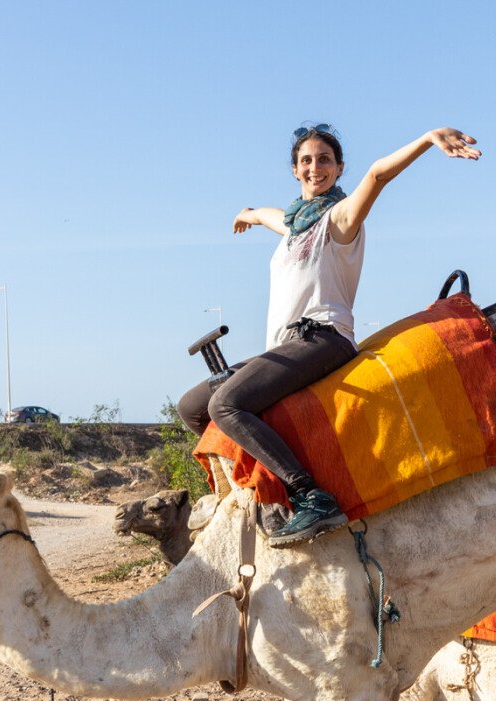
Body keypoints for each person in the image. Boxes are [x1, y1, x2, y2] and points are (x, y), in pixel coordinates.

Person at [178, 123, 480, 546]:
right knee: (193, 406)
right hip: (287, 346)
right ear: (294, 170)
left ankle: (311, 496)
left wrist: (428, 140)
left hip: (322, 339)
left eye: (324, 160)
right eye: (306, 160)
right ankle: (255, 489)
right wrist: (247, 213)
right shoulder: (296, 228)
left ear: (338, 169)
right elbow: (272, 218)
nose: (314, 167)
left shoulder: (339, 220)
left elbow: (376, 175)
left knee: (226, 404)